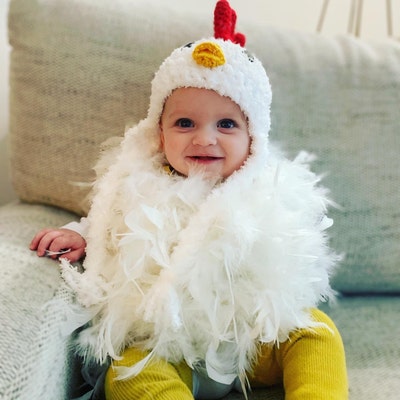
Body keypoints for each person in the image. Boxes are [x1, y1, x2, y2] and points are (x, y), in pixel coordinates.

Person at [30, 1, 348, 399]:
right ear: (159, 133)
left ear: (254, 139)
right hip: (165, 343)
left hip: (251, 341)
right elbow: (106, 223)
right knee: (128, 373)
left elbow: (297, 260)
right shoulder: (136, 183)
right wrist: (80, 237)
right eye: (185, 123)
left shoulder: (266, 191)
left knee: (317, 332)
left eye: (227, 124)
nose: (204, 139)